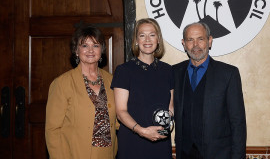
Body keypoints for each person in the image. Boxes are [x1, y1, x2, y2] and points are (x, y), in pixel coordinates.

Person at [173, 22, 247, 159]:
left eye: (200, 39)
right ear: (184, 43)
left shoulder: (228, 74)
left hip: (219, 154)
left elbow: (238, 123)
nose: (195, 45)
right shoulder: (175, 72)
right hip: (184, 153)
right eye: (190, 40)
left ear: (210, 41)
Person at [45, 25, 118, 159]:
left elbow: (118, 119)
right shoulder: (62, 83)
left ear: (102, 50)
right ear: (76, 51)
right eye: (84, 45)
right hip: (75, 153)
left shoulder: (112, 81)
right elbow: (52, 130)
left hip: (107, 154)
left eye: (95, 45)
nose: (90, 50)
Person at [111, 18, 174, 159]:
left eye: (152, 35)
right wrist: (142, 131)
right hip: (133, 141)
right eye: (142, 35)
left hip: (160, 142)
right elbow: (120, 112)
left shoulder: (168, 70)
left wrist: (167, 122)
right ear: (136, 40)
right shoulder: (124, 71)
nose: (147, 40)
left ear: (158, 39)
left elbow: (170, 106)